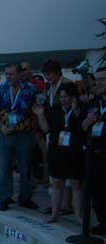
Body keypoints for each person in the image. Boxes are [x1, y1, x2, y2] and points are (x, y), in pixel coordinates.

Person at [0, 63, 38, 211]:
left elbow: (36, 109)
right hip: (6, 133)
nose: (8, 77)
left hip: (24, 134)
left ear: (19, 74)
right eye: (7, 74)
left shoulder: (30, 89)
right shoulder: (1, 89)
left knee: (25, 167)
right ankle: (4, 198)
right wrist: (1, 126)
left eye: (11, 74)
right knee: (4, 167)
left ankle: (25, 198)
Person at [34, 83, 84, 224]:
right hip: (57, 150)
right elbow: (46, 129)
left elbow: (83, 128)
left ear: (73, 97)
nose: (63, 99)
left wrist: (76, 111)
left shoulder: (80, 110)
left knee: (76, 184)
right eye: (61, 97)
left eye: (66, 97)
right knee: (56, 182)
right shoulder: (55, 110)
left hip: (75, 151)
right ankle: (54, 214)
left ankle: (79, 217)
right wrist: (40, 115)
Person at [82, 67, 106, 235]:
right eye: (97, 80)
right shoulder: (94, 103)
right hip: (95, 153)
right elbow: (83, 127)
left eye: (102, 79)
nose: (98, 83)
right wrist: (88, 122)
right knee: (97, 190)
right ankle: (102, 222)